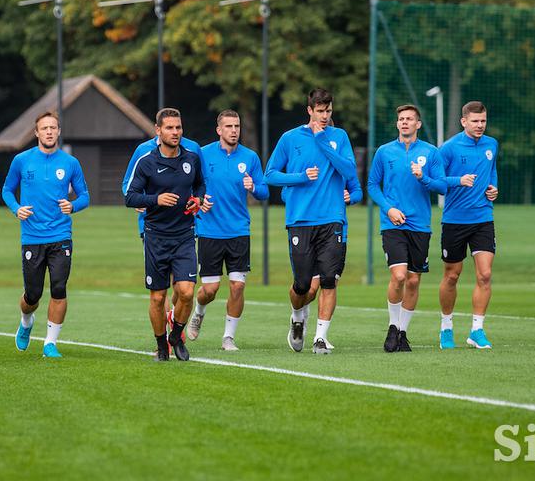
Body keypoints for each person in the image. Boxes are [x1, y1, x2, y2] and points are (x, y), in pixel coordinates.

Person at [265, 87, 357, 355]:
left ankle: (319, 337)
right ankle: (297, 316)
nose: (325, 116)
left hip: (332, 219)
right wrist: (301, 176)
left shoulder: (339, 137)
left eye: (328, 110)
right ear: (309, 110)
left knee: (329, 279)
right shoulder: (290, 138)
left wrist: (322, 143)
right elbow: (270, 174)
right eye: (320, 111)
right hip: (300, 220)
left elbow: (350, 170)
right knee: (302, 285)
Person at [124, 108, 210, 362]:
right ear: (158, 130)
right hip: (156, 236)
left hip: (184, 234)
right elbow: (130, 197)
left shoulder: (192, 158)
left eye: (178, 128)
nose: (175, 132)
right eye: (170, 128)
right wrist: (156, 199)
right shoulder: (146, 161)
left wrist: (198, 199)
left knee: (186, 292)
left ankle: (176, 336)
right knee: (158, 296)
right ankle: (162, 344)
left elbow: (200, 184)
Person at [1, 111, 90, 358]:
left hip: (61, 235)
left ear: (58, 132)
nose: (49, 131)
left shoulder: (70, 163)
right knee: (33, 294)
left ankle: (50, 343)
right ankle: (26, 322)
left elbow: (85, 196)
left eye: (53, 127)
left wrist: (73, 206)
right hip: (32, 237)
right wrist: (16, 208)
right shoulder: (22, 160)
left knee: (59, 288)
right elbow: (7, 190)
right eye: (44, 128)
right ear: (36, 133)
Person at [367, 105, 446, 353]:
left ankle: (402, 333)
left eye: (409, 119)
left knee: (413, 281)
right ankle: (392, 326)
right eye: (401, 119)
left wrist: (424, 177)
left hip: (420, 224)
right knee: (399, 276)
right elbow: (372, 185)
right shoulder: (384, 152)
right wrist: (388, 208)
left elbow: (442, 186)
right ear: (397, 124)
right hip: (393, 223)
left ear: (418, 124)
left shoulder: (431, 153)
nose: (404, 122)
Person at [188, 110, 268, 351]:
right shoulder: (203, 155)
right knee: (210, 290)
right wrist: (200, 200)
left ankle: (228, 338)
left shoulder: (250, 157)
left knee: (238, 285)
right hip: (210, 231)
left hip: (239, 230)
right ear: (219, 130)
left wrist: (253, 186)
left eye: (237, 126)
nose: (234, 130)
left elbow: (264, 193)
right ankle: (199, 311)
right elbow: (190, 187)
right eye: (229, 126)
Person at [437, 101, 499, 350]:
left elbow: (491, 171)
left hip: (483, 218)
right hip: (454, 221)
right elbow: (436, 181)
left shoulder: (491, 145)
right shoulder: (449, 148)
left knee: (485, 275)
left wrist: (494, 188)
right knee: (452, 275)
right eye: (475, 121)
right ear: (464, 122)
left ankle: (477, 330)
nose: (480, 125)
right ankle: (446, 327)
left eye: (483, 121)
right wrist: (458, 180)